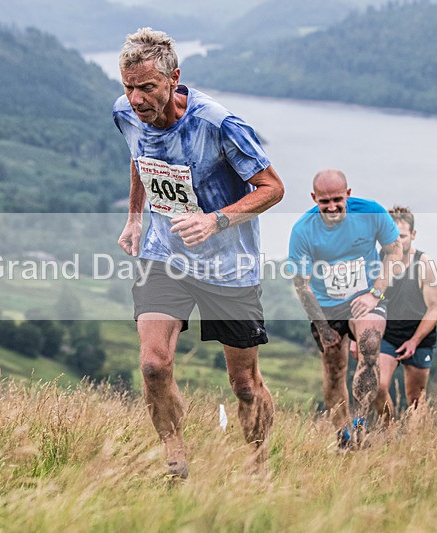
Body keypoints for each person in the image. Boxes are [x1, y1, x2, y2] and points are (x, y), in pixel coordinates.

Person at [113, 28, 284, 478]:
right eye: (128, 87)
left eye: (147, 87)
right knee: (153, 365)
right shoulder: (127, 113)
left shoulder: (218, 124)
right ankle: (176, 460)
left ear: (174, 79)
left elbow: (272, 188)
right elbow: (140, 154)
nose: (136, 99)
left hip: (228, 266)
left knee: (244, 385)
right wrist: (135, 217)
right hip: (164, 255)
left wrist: (215, 220)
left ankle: (258, 466)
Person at [288, 169, 401, 448]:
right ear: (314, 198)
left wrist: (375, 294)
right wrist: (322, 327)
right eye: (324, 201)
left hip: (365, 297)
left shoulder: (371, 212)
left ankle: (365, 425)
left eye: (337, 199)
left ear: (348, 194)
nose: (332, 207)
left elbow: (394, 251)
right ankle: (344, 438)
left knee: (370, 348)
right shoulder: (303, 229)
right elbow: (302, 284)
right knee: (335, 372)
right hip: (326, 307)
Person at [376, 206, 437, 417]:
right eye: (392, 237)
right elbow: (364, 300)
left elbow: (435, 309)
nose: (397, 242)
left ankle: (418, 435)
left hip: (418, 336)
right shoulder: (377, 261)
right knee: (378, 387)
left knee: (415, 399)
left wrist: (414, 341)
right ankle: (388, 430)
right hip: (387, 334)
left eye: (402, 237)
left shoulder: (425, 264)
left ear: (413, 235)